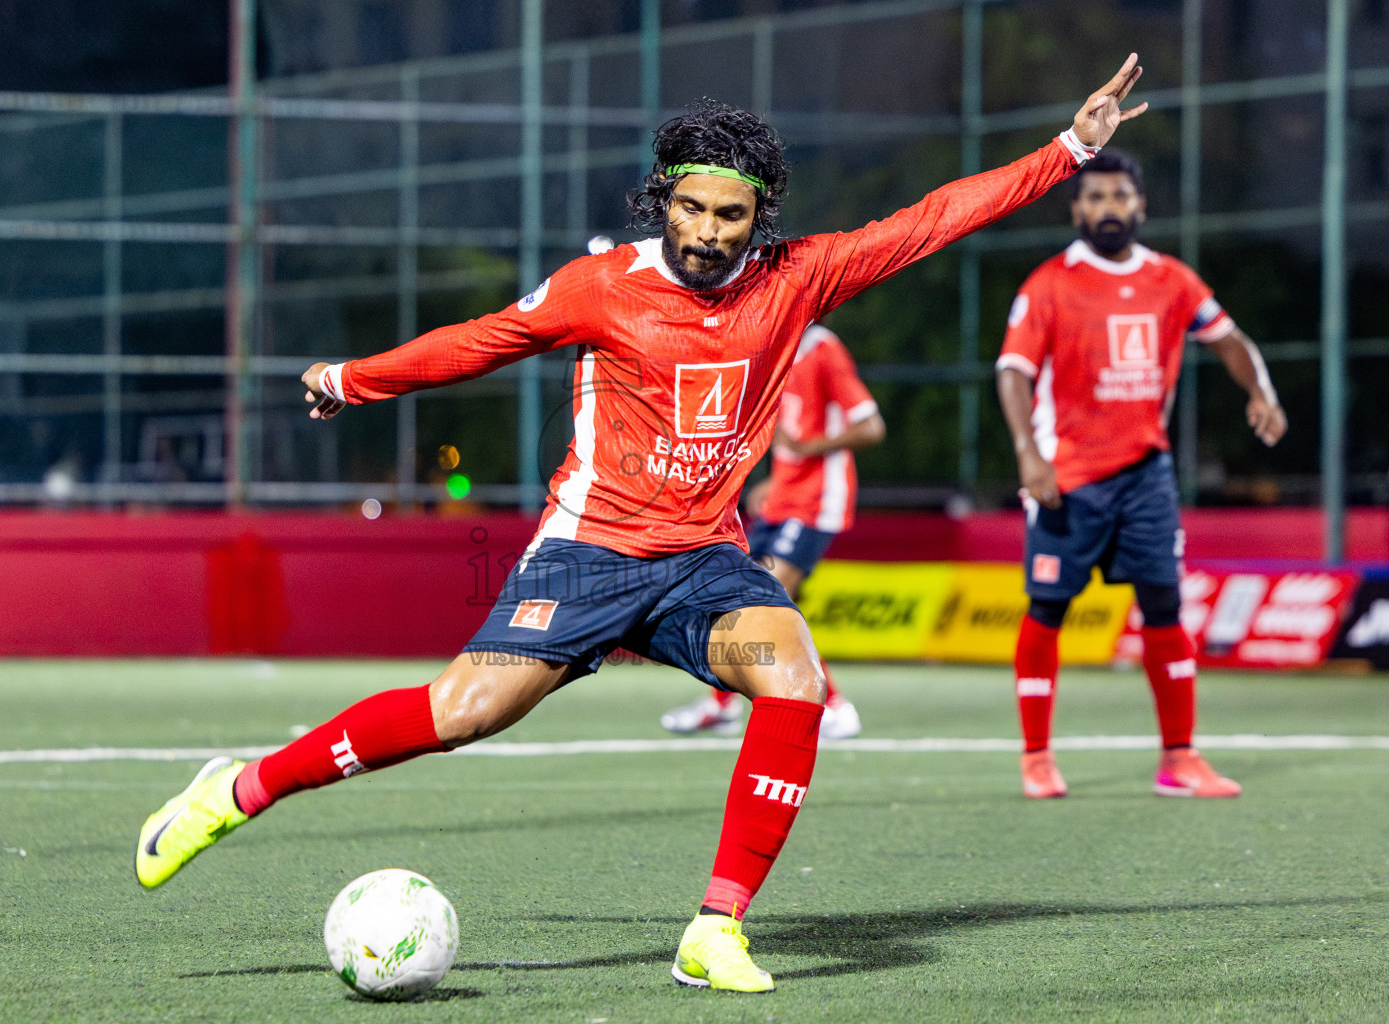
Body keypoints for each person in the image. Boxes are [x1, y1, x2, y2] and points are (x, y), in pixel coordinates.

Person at [136, 56, 1147, 992]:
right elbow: (482, 342)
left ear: (763, 218)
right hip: (588, 552)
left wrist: (1070, 150)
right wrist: (352, 381)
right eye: (693, 209)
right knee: (461, 715)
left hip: (703, 558)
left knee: (791, 672)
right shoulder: (602, 288)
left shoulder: (798, 279)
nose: (709, 233)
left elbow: (934, 219)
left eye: (733, 216)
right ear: (662, 199)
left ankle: (715, 928)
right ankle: (238, 788)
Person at [995, 148, 1287, 801]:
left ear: (1140, 205)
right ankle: (1037, 757)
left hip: (1145, 474)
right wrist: (1028, 453)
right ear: (1076, 208)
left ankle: (1179, 759)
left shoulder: (1172, 280)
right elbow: (1012, 372)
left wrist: (1260, 391)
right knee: (1048, 609)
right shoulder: (1049, 284)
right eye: (1094, 198)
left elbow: (1229, 338)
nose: (1107, 208)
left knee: (1163, 604)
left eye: (1119, 196)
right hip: (1067, 475)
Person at [660, 322, 884, 741]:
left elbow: (871, 427)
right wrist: (774, 479)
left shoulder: (822, 349)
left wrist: (804, 450)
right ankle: (722, 706)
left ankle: (834, 706)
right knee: (736, 598)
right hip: (785, 500)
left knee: (764, 597)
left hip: (818, 502)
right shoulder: (773, 347)